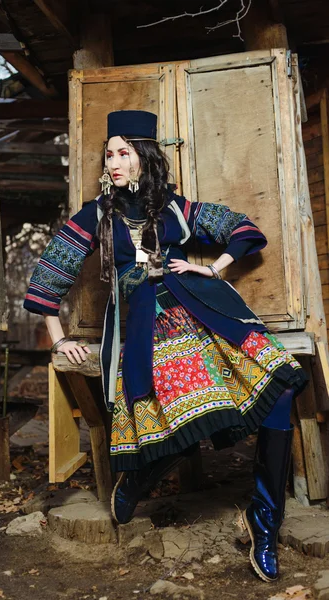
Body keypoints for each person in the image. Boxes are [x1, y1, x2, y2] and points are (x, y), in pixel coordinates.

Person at [24, 110, 307, 583]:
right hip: (143, 322)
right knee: (178, 403)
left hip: (204, 305)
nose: (113, 161)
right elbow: (48, 276)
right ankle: (139, 475)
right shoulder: (96, 214)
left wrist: (212, 268)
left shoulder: (176, 208)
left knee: (280, 386)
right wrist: (61, 339)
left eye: (123, 153)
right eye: (109, 154)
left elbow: (243, 229)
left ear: (144, 156)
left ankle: (265, 520)